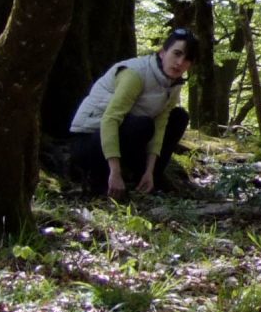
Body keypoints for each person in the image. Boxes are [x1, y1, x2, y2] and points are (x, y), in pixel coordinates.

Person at [67, 29, 200, 197]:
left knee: (178, 117)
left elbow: (160, 126)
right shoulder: (135, 74)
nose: (180, 62)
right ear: (162, 53)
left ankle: (148, 179)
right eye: (177, 53)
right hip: (90, 140)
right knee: (142, 125)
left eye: (187, 59)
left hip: (125, 133)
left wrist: (150, 171)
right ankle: (101, 179)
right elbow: (110, 120)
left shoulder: (173, 83)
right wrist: (114, 172)